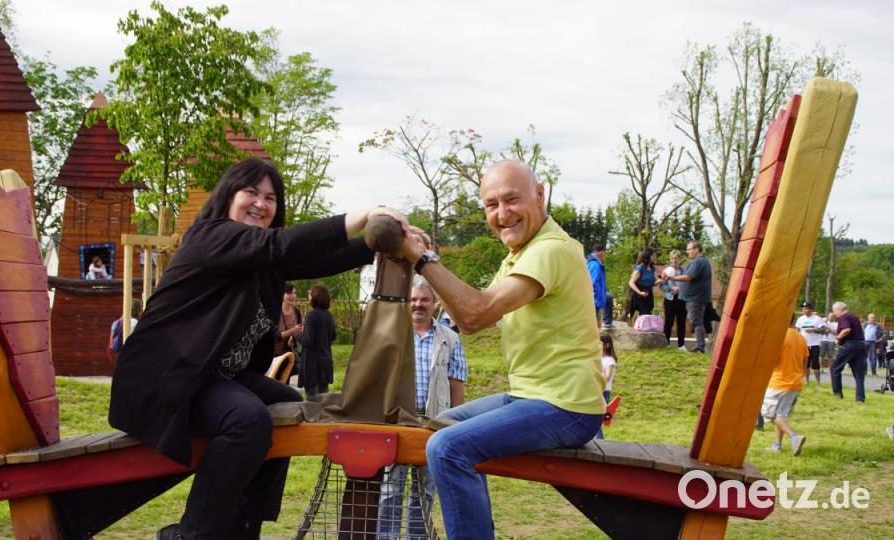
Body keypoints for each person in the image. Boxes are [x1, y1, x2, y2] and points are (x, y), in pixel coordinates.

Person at [108, 157, 404, 540]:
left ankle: (245, 524)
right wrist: (364, 216)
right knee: (248, 419)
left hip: (210, 375)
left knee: (287, 403)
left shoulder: (263, 262)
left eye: (270, 198)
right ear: (228, 196)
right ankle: (191, 534)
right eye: (251, 192)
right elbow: (283, 244)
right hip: (166, 376)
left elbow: (319, 256)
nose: (261, 204)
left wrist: (378, 245)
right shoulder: (210, 236)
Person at [399, 160, 606, 539]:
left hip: (565, 406)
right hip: (531, 397)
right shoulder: (522, 254)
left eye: (512, 200)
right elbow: (472, 311)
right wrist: (428, 258)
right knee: (440, 428)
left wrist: (423, 261)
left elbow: (477, 315)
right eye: (492, 205)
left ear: (539, 195)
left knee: (447, 448)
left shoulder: (550, 251)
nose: (502, 213)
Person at [377, 277, 468, 539]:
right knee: (390, 489)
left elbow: (456, 387)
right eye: (414, 299)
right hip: (397, 422)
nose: (418, 304)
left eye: (425, 300)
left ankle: (416, 537)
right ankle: (386, 537)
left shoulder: (450, 339)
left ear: (435, 303)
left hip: (434, 424)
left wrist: (454, 425)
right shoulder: (391, 335)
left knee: (425, 489)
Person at [762, 323, 809, 456]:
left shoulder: (779, 337)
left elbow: (771, 360)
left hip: (778, 382)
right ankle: (777, 445)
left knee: (770, 414)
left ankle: (794, 437)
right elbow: (805, 361)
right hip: (795, 383)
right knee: (781, 415)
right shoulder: (801, 337)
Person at [671, 241, 712, 353]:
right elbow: (695, 281)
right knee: (696, 322)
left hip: (696, 299)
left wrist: (672, 277)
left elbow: (688, 277)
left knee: (697, 322)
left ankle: (701, 347)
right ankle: (701, 346)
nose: (687, 251)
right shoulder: (700, 261)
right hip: (696, 297)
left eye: (689, 249)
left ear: (696, 249)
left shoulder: (698, 261)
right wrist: (680, 289)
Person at [297, 284, 336, 397]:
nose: (308, 297)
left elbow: (308, 341)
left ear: (315, 297)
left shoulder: (311, 316)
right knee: (323, 401)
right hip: (325, 363)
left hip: (312, 366)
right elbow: (333, 336)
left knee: (312, 403)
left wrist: (296, 335)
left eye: (310, 295)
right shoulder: (329, 316)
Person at [830, 301, 867, 402]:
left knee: (835, 368)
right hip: (861, 344)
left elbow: (846, 330)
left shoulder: (844, 317)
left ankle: (837, 394)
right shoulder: (853, 316)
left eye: (834, 310)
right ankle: (860, 398)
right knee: (859, 373)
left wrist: (838, 337)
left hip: (850, 345)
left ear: (839, 309)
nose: (834, 313)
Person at [275, 282, 303, 382]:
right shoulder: (275, 312)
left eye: (294, 293)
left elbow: (300, 331)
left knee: (286, 383)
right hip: (275, 356)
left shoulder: (297, 313)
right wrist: (293, 331)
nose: (292, 296)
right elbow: (274, 336)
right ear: (282, 295)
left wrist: (294, 336)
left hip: (290, 355)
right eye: (289, 293)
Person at [659, 249, 686, 350]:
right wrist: (670, 288)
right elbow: (662, 286)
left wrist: (680, 289)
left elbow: (688, 285)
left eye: (676, 258)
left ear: (679, 259)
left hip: (682, 299)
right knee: (669, 321)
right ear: (670, 259)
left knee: (681, 322)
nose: (674, 260)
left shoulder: (684, 271)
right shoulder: (665, 271)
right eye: (672, 258)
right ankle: (666, 343)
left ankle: (681, 345)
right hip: (669, 299)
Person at [795, 301, 827, 384]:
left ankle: (818, 382)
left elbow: (824, 330)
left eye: (806, 308)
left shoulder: (817, 319)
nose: (804, 310)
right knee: (806, 363)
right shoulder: (800, 319)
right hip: (804, 344)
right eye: (803, 308)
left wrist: (814, 330)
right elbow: (797, 330)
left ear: (810, 309)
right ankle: (807, 381)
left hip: (814, 344)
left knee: (815, 363)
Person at [107, 299, 143, 367]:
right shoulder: (133, 322)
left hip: (120, 353)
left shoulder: (119, 321)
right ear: (136, 310)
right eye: (140, 309)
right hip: (130, 355)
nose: (142, 311)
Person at [586, 243, 614, 330]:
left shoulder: (590, 262)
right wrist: (599, 297)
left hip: (592, 297)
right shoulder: (595, 265)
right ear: (600, 252)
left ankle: (606, 323)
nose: (605, 256)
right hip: (594, 299)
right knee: (592, 325)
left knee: (608, 297)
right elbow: (593, 283)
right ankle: (606, 324)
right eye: (605, 253)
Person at [594, 334, 617, 440]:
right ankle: (597, 441)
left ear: (607, 345)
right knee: (593, 418)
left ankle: (600, 442)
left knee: (596, 420)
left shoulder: (610, 360)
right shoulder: (597, 358)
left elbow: (607, 377)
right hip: (595, 391)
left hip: (603, 392)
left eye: (600, 343)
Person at [628, 247, 659, 319]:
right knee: (644, 315)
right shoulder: (640, 267)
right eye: (653, 255)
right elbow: (631, 282)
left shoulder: (652, 268)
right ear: (648, 256)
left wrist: (659, 281)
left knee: (647, 315)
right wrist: (639, 292)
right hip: (639, 294)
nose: (654, 257)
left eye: (654, 255)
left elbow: (651, 284)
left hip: (648, 293)